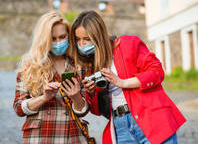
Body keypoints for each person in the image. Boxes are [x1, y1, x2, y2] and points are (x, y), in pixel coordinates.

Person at [69, 11, 186, 144]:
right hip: (120, 128)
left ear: (98, 35)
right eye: (78, 39)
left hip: (150, 120)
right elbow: (97, 112)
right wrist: (92, 92)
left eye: (87, 39)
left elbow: (157, 71)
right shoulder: (89, 65)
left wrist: (122, 82)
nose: (82, 44)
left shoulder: (128, 44)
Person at [13, 11, 89, 144]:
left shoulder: (78, 65)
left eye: (62, 36)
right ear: (44, 40)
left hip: (72, 136)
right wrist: (44, 97)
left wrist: (76, 97)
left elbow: (83, 111)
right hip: (40, 136)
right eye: (53, 39)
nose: (58, 42)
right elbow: (19, 108)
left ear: (69, 36)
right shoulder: (30, 65)